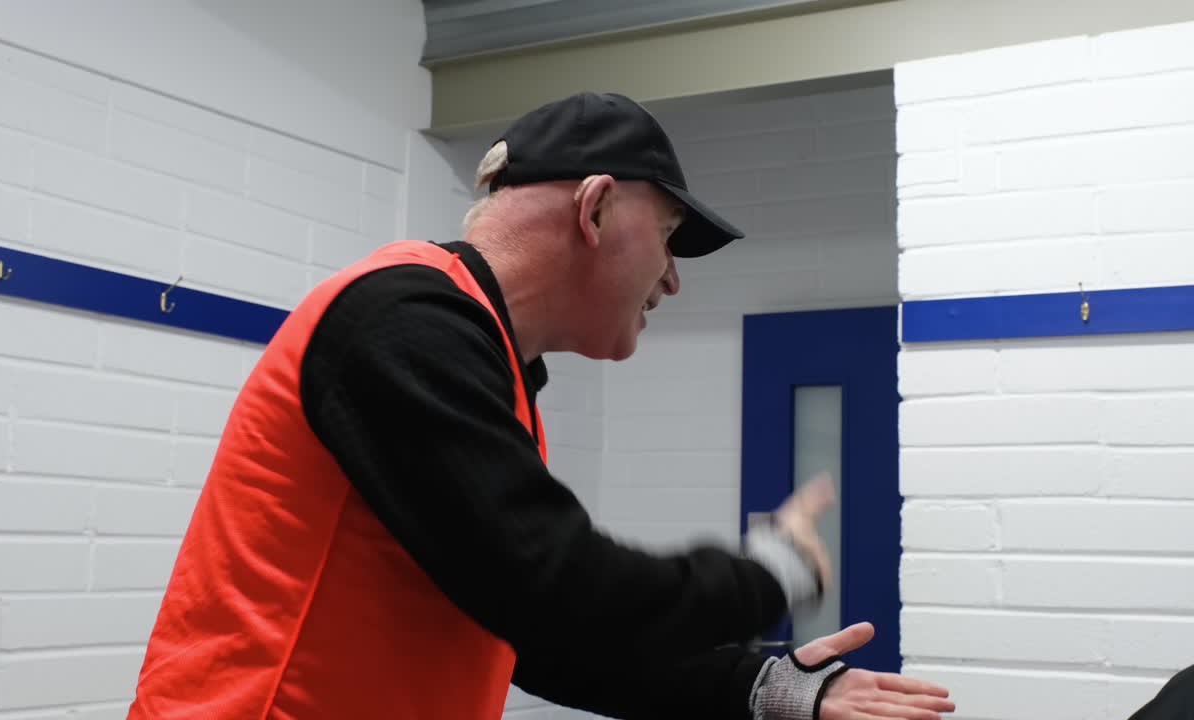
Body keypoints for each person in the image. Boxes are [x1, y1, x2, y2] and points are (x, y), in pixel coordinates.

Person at [126, 91, 954, 720]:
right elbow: (558, 586)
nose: (672, 277)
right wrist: (772, 572)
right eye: (667, 237)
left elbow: (532, 637)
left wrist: (765, 689)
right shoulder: (401, 320)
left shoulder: (483, 361)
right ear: (593, 208)